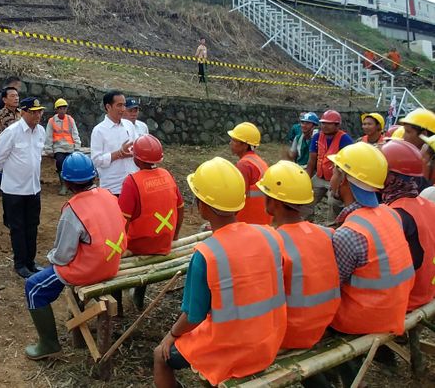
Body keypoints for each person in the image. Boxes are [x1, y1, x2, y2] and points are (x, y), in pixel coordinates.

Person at [153, 157, 286, 387]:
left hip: (231, 351)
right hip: (269, 342)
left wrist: (170, 336)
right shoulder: (270, 235)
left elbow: (193, 317)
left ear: (202, 206)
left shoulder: (206, 254)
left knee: (160, 356)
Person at [23, 153, 126, 360]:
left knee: (33, 288)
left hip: (91, 269)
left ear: (67, 181)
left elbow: (62, 256)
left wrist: (50, 257)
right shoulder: (108, 195)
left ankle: (49, 344)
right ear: (94, 177)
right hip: (112, 262)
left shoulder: (73, 209)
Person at [328, 143, 414, 335]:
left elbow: (332, 286)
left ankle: (346, 365)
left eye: (334, 172)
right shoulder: (390, 213)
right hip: (395, 310)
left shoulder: (349, 234)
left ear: (343, 180)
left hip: (362, 320)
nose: (331, 178)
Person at [256, 161, 340, 350]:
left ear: (274, 201)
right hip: (324, 324)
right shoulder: (327, 234)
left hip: (291, 333)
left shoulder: (272, 243)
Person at [119, 135, 184, 309]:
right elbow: (181, 207)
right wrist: (175, 236)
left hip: (139, 246)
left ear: (136, 158)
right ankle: (138, 296)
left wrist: (120, 248)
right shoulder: (167, 175)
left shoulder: (131, 182)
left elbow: (122, 221)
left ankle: (117, 307)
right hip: (164, 242)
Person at [0, 97, 46, 278]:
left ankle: (31, 261)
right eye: (33, 112)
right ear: (23, 112)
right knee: (17, 228)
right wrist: (4, 176)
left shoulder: (41, 132)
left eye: (39, 111)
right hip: (14, 190)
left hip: (33, 189)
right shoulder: (12, 132)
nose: (37, 115)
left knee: (32, 226)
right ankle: (20, 263)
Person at [379, 140, 435, 311]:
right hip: (427, 290)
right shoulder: (427, 203)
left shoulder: (394, 214)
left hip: (409, 299)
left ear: (390, 176)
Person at [306, 110, 353, 224]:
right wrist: (307, 178)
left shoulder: (344, 139)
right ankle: (306, 221)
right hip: (319, 177)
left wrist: (340, 184)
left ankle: (332, 226)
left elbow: (349, 164)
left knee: (334, 203)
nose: (324, 126)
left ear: (337, 125)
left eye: (328, 123)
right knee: (306, 196)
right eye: (323, 123)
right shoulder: (317, 137)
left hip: (336, 179)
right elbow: (312, 159)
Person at [90, 91, 137, 195]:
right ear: (108, 107)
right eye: (119, 105)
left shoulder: (129, 125)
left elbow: (136, 148)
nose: (123, 109)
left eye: (124, 105)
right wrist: (118, 154)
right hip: (112, 188)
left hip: (133, 185)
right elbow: (96, 161)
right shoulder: (99, 131)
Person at [228, 122, 271, 225]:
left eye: (234, 140)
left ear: (244, 145)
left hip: (248, 222)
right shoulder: (259, 162)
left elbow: (238, 198)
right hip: (263, 221)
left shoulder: (244, 165)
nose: (230, 143)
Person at [44, 98, 81, 195]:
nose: (62, 110)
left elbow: (75, 133)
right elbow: (48, 136)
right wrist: (49, 149)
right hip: (58, 148)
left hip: (70, 148)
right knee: (60, 162)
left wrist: (77, 146)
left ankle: (72, 185)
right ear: (56, 110)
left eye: (64, 108)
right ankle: (64, 185)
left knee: (72, 164)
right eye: (60, 108)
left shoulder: (70, 119)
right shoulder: (52, 121)